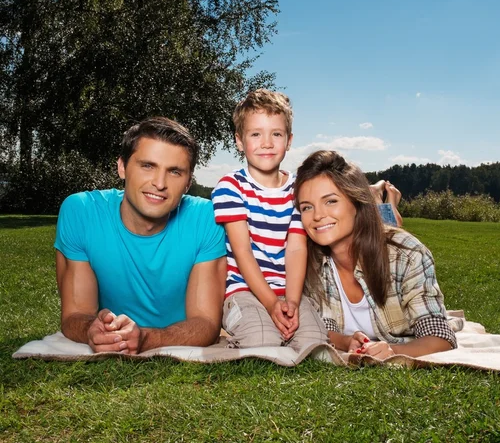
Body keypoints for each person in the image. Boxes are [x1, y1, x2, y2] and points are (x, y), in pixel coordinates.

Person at [55, 117, 227, 354]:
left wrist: (146, 338)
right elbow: (75, 314)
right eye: (147, 166)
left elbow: (207, 324)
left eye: (175, 172)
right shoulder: (81, 211)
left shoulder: (206, 217)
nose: (159, 183)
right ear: (122, 167)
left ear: (188, 182)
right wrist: (91, 330)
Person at [295, 150, 457, 359]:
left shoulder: (407, 255)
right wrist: (346, 341)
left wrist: (393, 351)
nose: (317, 216)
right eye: (307, 207)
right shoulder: (308, 260)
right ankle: (381, 202)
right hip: (368, 222)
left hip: (377, 232)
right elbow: (321, 327)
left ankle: (384, 202)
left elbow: (440, 337)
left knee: (387, 228)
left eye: (331, 201)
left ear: (356, 202)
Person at [211, 89, 328, 350]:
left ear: (289, 140)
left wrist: (292, 303)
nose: (267, 143)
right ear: (240, 141)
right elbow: (242, 252)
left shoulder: (299, 189)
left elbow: (297, 247)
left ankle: (288, 316)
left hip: (288, 290)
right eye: (256, 134)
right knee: (262, 341)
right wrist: (270, 302)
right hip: (243, 291)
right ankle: (237, 330)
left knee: (314, 343)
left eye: (276, 134)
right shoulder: (231, 187)